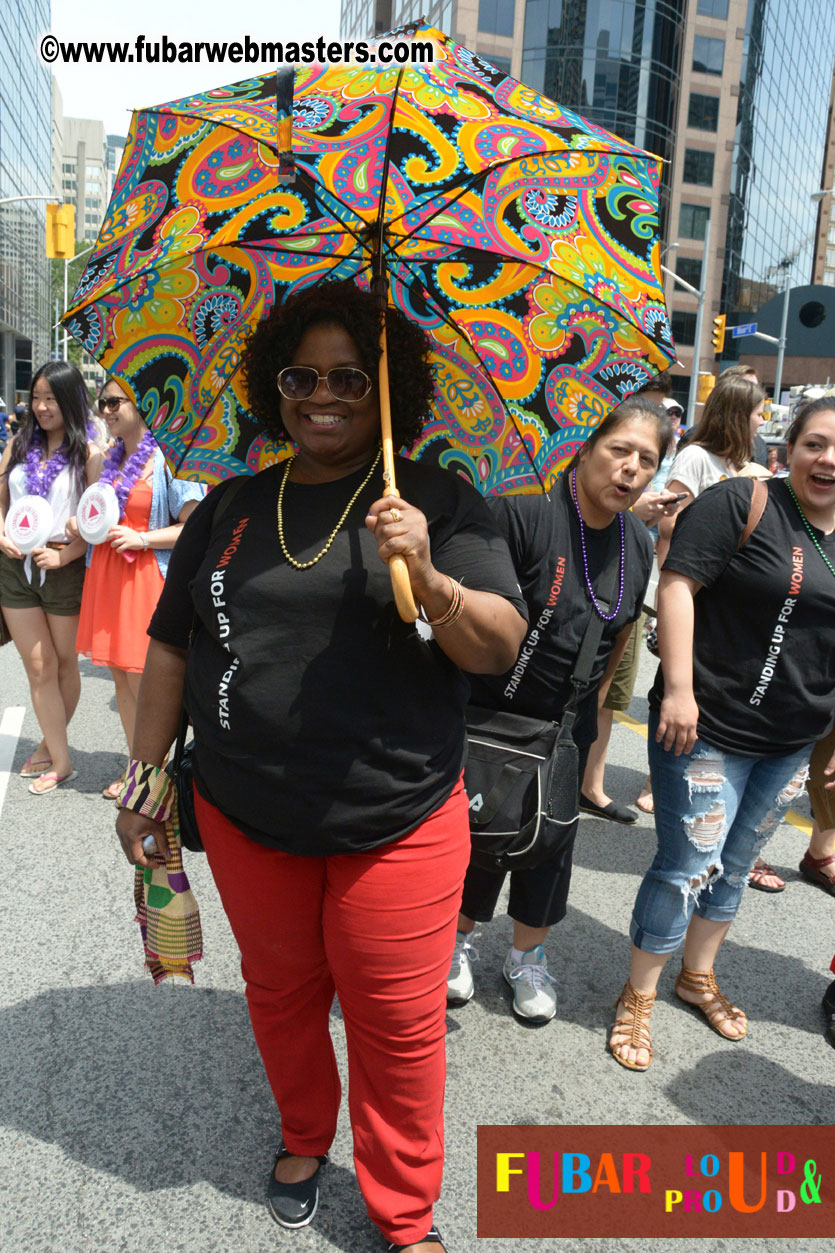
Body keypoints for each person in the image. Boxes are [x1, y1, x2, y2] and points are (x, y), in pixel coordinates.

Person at [114, 281, 527, 1253]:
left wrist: (428, 573)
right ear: (275, 385)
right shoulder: (229, 506)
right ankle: (304, 1132)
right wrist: (144, 781)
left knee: (397, 1023)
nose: (323, 396)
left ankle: (403, 1210)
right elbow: (171, 646)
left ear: (388, 388)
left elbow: (498, 644)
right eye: (301, 377)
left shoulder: (436, 500)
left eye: (349, 377)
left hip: (399, 821)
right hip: (246, 815)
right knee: (281, 993)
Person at [608, 397, 835, 1070]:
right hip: (706, 726)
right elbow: (677, 585)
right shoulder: (745, 502)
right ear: (787, 450)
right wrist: (678, 690)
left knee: (735, 866)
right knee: (687, 866)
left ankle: (696, 975)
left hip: (792, 739)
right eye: (815, 444)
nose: (827, 460)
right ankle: (639, 992)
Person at [448, 397, 674, 1023]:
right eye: (619, 450)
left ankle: (527, 956)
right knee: (480, 832)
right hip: (489, 713)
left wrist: (589, 723)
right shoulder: (522, 513)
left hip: (566, 725)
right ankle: (456, 941)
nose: (630, 469)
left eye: (646, 460)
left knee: (551, 841)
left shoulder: (637, 543)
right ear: (585, 447)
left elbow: (619, 638)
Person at [652, 373, 784, 898]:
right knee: (686, 859)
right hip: (696, 589)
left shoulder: (741, 466)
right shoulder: (696, 458)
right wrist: (722, 512)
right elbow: (669, 523)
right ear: (737, 412)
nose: (762, 421)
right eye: (758, 412)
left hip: (739, 604)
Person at [70, 380, 204, 798]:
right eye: (102, 403)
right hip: (107, 575)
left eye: (114, 402)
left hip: (146, 578)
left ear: (141, 404)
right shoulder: (108, 460)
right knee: (120, 680)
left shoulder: (169, 459)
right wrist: (81, 524)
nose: (106, 410)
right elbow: (98, 516)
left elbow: (194, 526)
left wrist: (143, 538)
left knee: (148, 682)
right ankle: (139, 770)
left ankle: (159, 775)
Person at [0, 363, 102, 793]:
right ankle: (61, 761)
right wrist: (1, 535)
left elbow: (95, 522)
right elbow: (0, 500)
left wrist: (66, 556)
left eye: (51, 399)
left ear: (71, 400)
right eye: (36, 398)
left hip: (63, 567)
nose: (41, 407)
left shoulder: (90, 455)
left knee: (63, 664)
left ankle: (49, 744)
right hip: (14, 566)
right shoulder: (18, 445)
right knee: (38, 666)